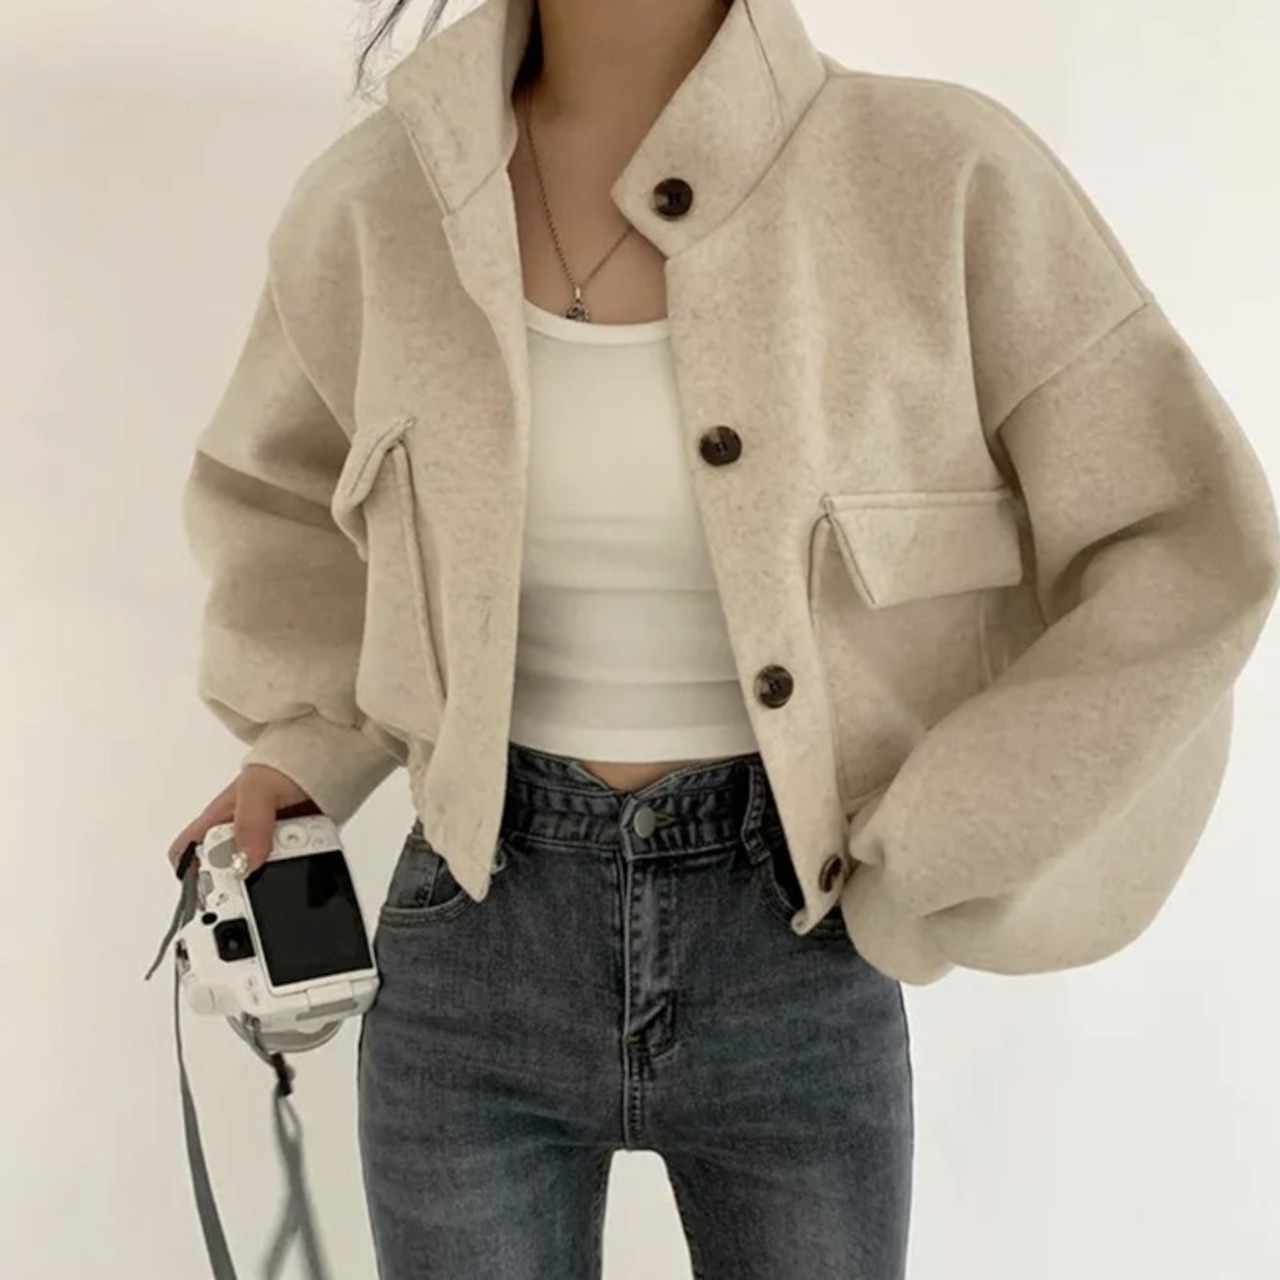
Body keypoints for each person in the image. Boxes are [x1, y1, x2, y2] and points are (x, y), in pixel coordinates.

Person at [166, 0, 1280, 1276]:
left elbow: (1177, 541)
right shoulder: (377, 202)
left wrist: (951, 824)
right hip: (475, 934)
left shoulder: (941, 174)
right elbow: (282, 496)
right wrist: (299, 746)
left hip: (798, 940)